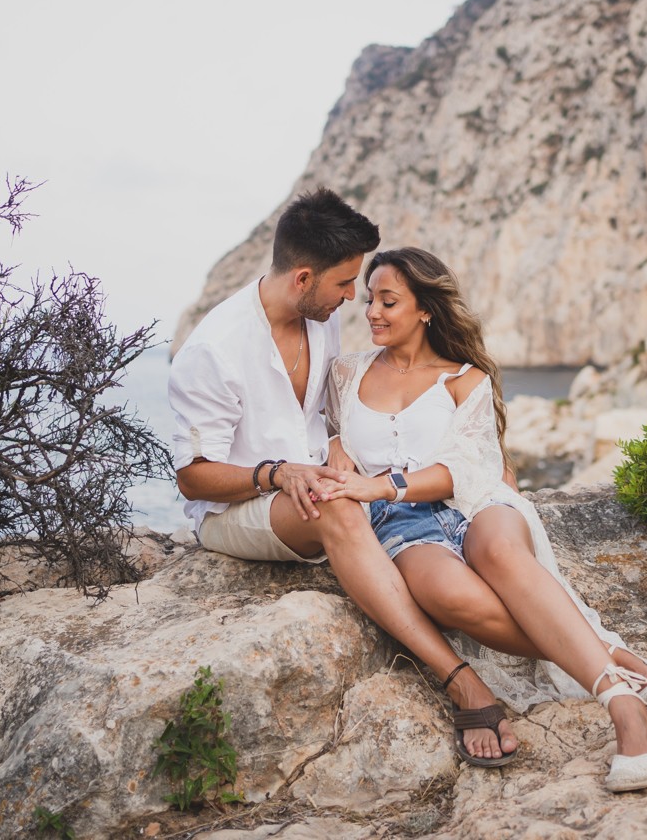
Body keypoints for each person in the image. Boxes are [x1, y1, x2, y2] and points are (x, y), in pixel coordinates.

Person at [168, 189, 528, 766]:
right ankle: (460, 680)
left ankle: (580, 651)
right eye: (344, 286)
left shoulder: (320, 320)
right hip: (239, 508)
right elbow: (192, 478)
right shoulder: (212, 351)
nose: (352, 302)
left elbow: (327, 415)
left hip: (323, 484)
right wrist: (276, 474)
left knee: (359, 504)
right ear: (304, 277)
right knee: (340, 508)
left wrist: (337, 448)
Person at [314, 247, 647, 792]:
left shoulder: (467, 378)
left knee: (501, 553)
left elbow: (466, 470)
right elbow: (327, 432)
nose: (372, 312)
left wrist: (380, 482)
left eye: (388, 301)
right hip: (400, 524)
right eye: (370, 300)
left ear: (425, 310)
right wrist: (338, 448)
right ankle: (607, 650)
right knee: (451, 597)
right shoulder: (346, 373)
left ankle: (624, 707)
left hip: (475, 502)